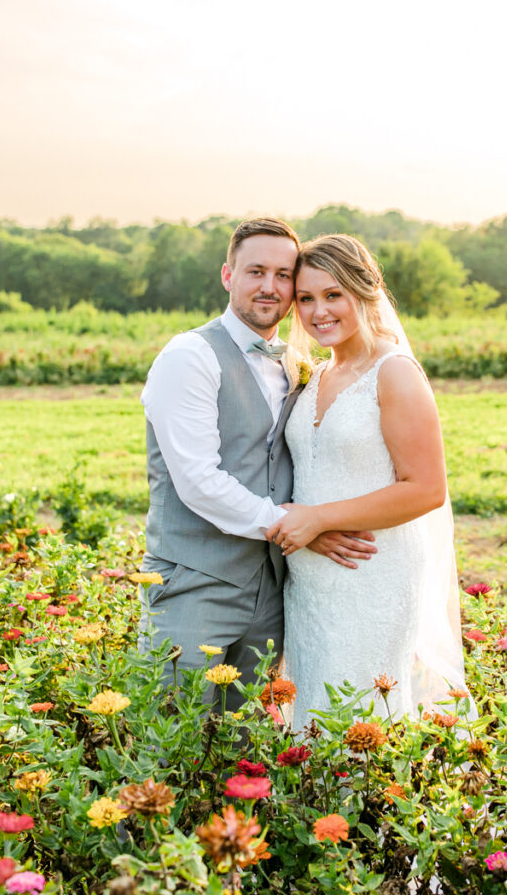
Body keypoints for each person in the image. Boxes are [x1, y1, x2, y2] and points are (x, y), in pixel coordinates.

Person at [138, 219, 376, 709]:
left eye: (284, 275)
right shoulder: (190, 356)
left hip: (270, 593)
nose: (270, 287)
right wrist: (298, 526)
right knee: (169, 739)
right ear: (228, 276)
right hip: (192, 584)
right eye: (255, 272)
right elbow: (198, 480)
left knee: (245, 748)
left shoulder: (295, 362)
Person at [267, 234, 468, 730]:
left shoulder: (394, 372)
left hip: (372, 572)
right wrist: (307, 527)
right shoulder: (315, 375)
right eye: (307, 299)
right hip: (311, 581)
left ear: (366, 290)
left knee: (361, 719)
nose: (318, 312)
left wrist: (317, 519)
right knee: (314, 715)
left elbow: (425, 488)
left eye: (333, 295)